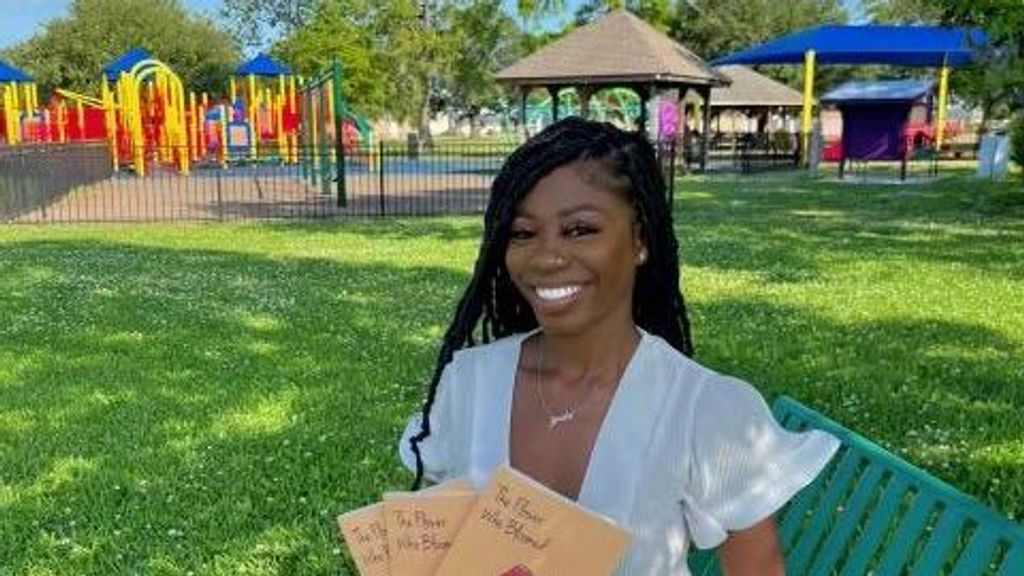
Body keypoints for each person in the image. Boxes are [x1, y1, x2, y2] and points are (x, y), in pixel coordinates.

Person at [398, 117, 839, 575]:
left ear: (640, 239)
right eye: (523, 233)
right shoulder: (469, 382)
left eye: (579, 230)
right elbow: (433, 548)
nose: (547, 257)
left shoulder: (702, 408)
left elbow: (758, 569)